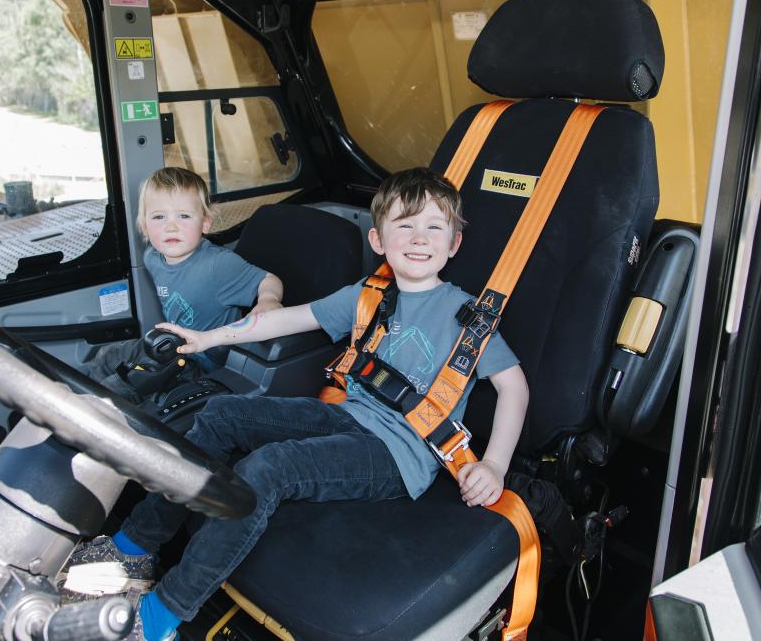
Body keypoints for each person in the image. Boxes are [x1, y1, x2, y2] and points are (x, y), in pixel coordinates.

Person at [66, 167, 530, 641]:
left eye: (434, 227)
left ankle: (161, 616)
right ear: (378, 239)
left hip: (402, 453)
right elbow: (281, 321)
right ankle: (134, 545)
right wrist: (207, 338)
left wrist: (493, 465)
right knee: (221, 414)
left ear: (453, 243)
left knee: (269, 468)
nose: (418, 237)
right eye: (404, 225)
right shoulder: (368, 296)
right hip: (350, 415)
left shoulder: (464, 314)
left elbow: (514, 387)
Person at [84, 167, 283, 397]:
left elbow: (269, 279)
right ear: (144, 225)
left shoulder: (217, 265)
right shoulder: (152, 257)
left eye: (184, 216)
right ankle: (80, 399)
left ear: (205, 223)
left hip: (207, 363)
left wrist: (268, 300)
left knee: (120, 389)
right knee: (107, 356)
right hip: (174, 347)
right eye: (159, 217)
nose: (171, 226)